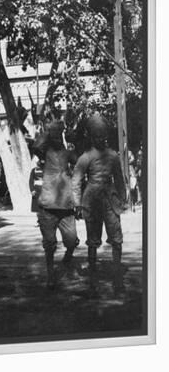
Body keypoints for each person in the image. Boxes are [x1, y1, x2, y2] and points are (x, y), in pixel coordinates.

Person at [71, 114, 127, 293]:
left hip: (111, 201)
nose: (100, 138)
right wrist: (78, 204)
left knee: (117, 240)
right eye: (96, 135)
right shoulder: (85, 157)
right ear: (91, 137)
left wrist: (123, 199)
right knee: (93, 242)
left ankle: (117, 280)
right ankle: (92, 283)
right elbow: (76, 181)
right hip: (92, 201)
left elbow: (119, 179)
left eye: (102, 135)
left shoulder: (113, 156)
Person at [32, 120, 79, 289]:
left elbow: (80, 161)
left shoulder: (67, 153)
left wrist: (71, 137)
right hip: (48, 206)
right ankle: (51, 274)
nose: (57, 137)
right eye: (55, 134)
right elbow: (36, 146)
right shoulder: (45, 153)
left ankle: (68, 256)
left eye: (60, 134)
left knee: (72, 240)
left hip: (66, 206)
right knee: (49, 243)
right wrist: (48, 132)